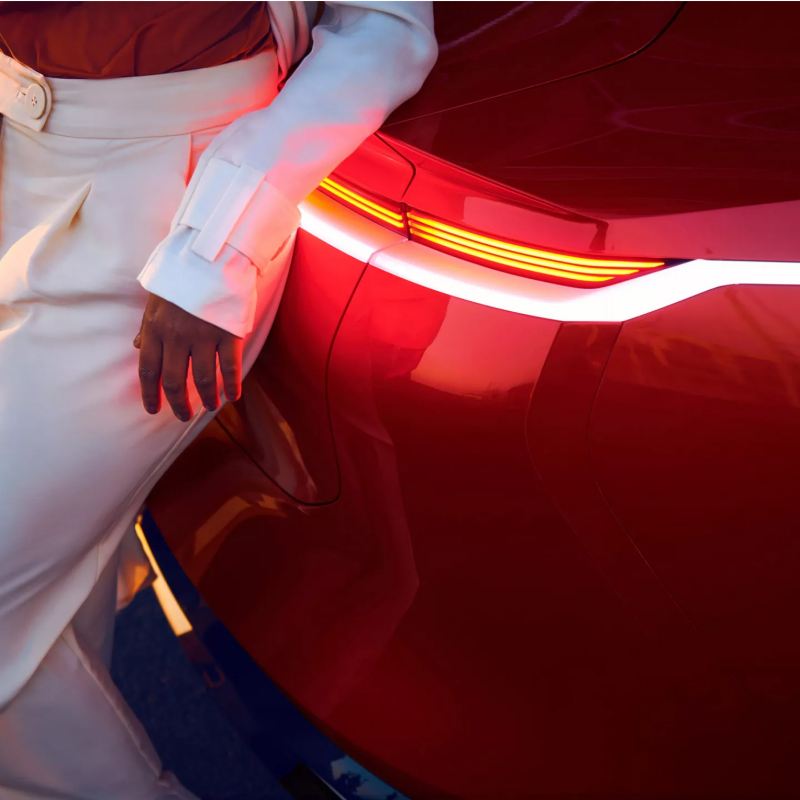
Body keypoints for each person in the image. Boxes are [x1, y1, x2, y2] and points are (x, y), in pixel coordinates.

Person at [0, 2, 437, 797]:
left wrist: (219, 236)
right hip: (18, 160)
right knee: (39, 606)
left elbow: (386, 27)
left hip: (171, 205)